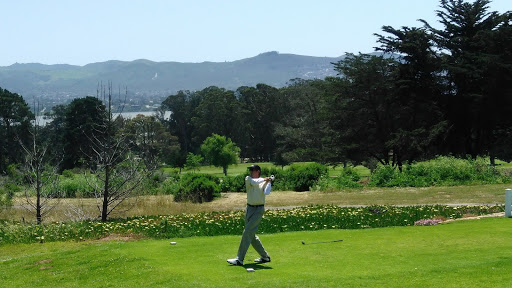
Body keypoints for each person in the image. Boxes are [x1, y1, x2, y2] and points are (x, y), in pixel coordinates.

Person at [227, 164, 272, 266]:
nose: (251, 172)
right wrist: (266, 179)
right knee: (251, 235)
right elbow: (254, 181)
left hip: (259, 210)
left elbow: (267, 192)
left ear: (258, 171)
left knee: (247, 232)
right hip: (249, 209)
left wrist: (269, 182)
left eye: (253, 170)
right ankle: (265, 257)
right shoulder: (248, 179)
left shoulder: (263, 182)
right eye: (250, 170)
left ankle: (239, 259)